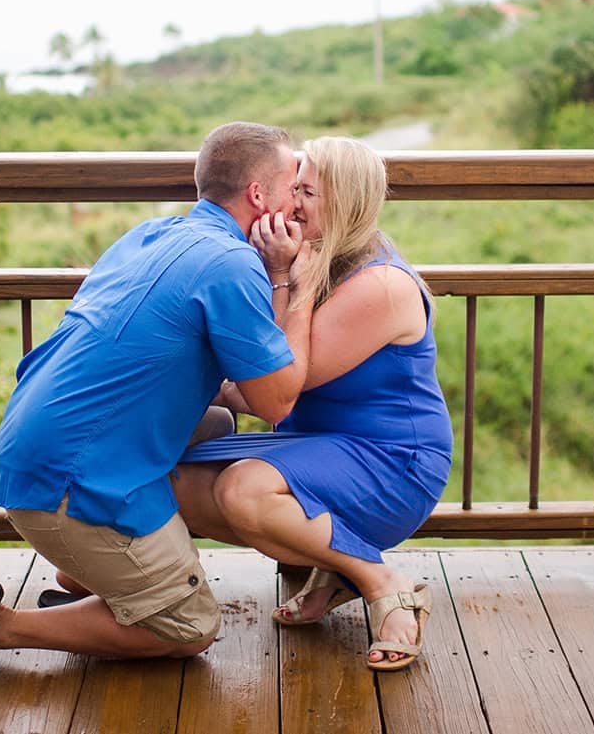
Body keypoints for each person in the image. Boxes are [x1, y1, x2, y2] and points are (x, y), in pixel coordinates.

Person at [0, 121, 314, 660]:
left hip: (29, 449)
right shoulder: (232, 264)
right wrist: (292, 278)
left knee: (213, 426)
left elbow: (147, 362)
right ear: (259, 195)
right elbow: (276, 401)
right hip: (68, 482)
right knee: (191, 626)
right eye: (294, 188)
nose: (298, 205)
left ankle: (91, 575)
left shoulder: (151, 233)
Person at [173, 135, 453, 672]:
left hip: (392, 461)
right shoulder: (316, 255)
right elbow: (256, 383)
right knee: (174, 481)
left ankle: (381, 582)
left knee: (242, 489)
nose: (291, 203)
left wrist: (284, 279)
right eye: (292, 187)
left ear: (345, 202)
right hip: (315, 446)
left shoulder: (381, 285)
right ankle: (333, 564)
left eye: (308, 193)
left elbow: (280, 388)